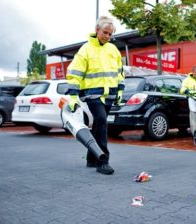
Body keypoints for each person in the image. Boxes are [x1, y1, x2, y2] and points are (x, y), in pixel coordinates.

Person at [66, 16, 125, 175]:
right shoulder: (85, 49)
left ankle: (91, 158)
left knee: (99, 125)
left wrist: (120, 89)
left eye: (110, 34)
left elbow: (119, 72)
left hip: (110, 95)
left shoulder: (113, 50)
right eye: (105, 32)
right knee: (101, 122)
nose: (107, 36)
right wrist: (73, 95)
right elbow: (75, 73)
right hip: (93, 94)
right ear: (97, 30)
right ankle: (102, 161)